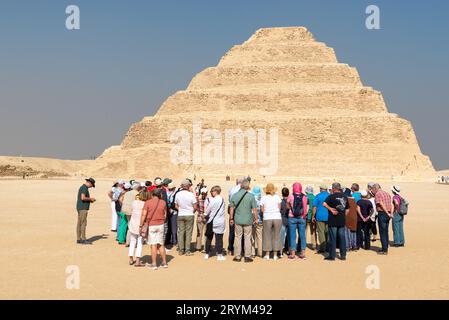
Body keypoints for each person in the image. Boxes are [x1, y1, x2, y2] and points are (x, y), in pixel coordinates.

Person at [229, 179, 257, 263]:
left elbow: (231, 208)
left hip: (238, 219)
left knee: (238, 237)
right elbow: (254, 209)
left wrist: (231, 218)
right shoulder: (251, 196)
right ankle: (247, 256)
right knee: (247, 237)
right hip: (248, 220)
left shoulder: (235, 195)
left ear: (241, 185)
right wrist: (256, 218)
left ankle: (237, 256)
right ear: (248, 186)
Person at [140, 188, 168, 269]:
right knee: (160, 244)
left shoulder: (148, 202)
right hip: (161, 224)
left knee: (153, 244)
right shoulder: (163, 202)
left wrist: (141, 225)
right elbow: (165, 215)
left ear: (152, 194)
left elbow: (144, 215)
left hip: (152, 224)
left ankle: (154, 264)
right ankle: (164, 262)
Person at [323, 182, 349, 261]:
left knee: (333, 238)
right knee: (342, 237)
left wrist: (330, 209)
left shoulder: (331, 196)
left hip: (333, 220)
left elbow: (324, 204)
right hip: (341, 220)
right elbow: (348, 209)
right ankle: (343, 255)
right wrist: (344, 215)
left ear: (334, 188)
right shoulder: (345, 196)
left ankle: (332, 255)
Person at [175, 179, 198, 256]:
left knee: (181, 232)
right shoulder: (191, 194)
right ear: (188, 186)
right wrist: (191, 211)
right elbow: (195, 206)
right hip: (189, 214)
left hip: (180, 214)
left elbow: (176, 205)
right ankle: (187, 250)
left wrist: (181, 210)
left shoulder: (178, 194)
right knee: (188, 232)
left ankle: (181, 250)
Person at [260, 183, 282, 260]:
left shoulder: (263, 198)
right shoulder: (277, 197)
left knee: (267, 236)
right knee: (276, 235)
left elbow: (262, 209)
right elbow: (279, 208)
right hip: (277, 217)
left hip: (267, 217)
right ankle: (275, 255)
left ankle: (267, 254)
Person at [204, 186, 226, 261]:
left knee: (209, 238)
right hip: (220, 221)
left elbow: (207, 211)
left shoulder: (213, 200)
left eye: (212, 191)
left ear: (215, 191)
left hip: (212, 220)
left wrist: (204, 215)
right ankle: (219, 254)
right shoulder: (222, 200)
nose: (211, 193)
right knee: (219, 238)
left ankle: (207, 253)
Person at [287, 182, 308, 259]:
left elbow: (287, 205)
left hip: (292, 217)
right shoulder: (304, 197)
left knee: (292, 235)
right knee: (302, 235)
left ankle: (293, 254)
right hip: (302, 218)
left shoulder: (291, 196)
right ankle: (302, 253)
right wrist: (304, 216)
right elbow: (305, 208)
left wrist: (291, 208)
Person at [128, 189, 148, 266]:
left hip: (133, 223)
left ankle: (130, 258)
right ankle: (137, 260)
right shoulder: (145, 204)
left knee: (132, 241)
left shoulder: (134, 202)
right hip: (140, 224)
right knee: (140, 242)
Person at [371, 183, 393, 255]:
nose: (372, 191)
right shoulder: (386, 193)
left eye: (372, 190)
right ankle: (385, 246)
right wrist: (390, 213)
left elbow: (381, 204)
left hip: (383, 213)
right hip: (388, 213)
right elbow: (390, 204)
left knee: (382, 232)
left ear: (375, 188)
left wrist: (386, 212)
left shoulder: (378, 194)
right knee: (386, 231)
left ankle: (384, 250)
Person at [76, 178, 96, 244]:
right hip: (83, 208)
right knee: (83, 223)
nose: (91, 187)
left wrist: (89, 200)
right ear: (89, 183)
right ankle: (83, 239)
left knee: (79, 223)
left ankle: (79, 238)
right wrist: (90, 199)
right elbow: (83, 197)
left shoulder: (83, 187)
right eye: (92, 185)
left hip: (80, 207)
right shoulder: (84, 188)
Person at [312, 184, 330, 253]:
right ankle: (328, 247)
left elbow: (314, 207)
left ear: (321, 189)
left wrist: (313, 216)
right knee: (327, 232)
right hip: (329, 216)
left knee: (321, 232)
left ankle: (323, 248)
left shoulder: (318, 196)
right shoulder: (329, 195)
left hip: (320, 216)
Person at [227, 178, 243, 255]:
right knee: (242, 231)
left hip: (232, 211)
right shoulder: (244, 191)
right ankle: (242, 250)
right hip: (241, 212)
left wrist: (231, 217)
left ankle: (230, 249)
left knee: (232, 231)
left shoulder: (232, 189)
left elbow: (230, 201)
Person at [251, 186, 264, 258]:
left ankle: (252, 252)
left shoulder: (251, 199)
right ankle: (260, 252)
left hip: (252, 220)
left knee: (252, 237)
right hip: (260, 220)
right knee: (259, 237)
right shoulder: (261, 199)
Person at [196, 187, 209, 252]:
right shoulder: (208, 199)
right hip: (206, 217)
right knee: (206, 233)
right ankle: (206, 247)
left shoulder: (198, 199)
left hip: (200, 216)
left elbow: (196, 208)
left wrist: (200, 213)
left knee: (199, 232)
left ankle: (198, 247)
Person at [166, 182, 179, 248]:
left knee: (174, 228)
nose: (170, 190)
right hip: (168, 212)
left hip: (174, 212)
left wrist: (172, 208)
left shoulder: (176, 193)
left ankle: (174, 241)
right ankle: (168, 240)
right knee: (169, 227)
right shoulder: (167, 192)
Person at [305, 186, 317, 251]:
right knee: (313, 231)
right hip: (313, 216)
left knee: (304, 231)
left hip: (306, 216)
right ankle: (314, 245)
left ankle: (302, 245)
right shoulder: (315, 197)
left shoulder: (305, 197)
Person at [280, 187, 290, 255]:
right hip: (289, 220)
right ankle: (289, 250)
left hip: (282, 220)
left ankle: (280, 252)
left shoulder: (280, 202)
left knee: (282, 237)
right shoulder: (290, 201)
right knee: (289, 236)